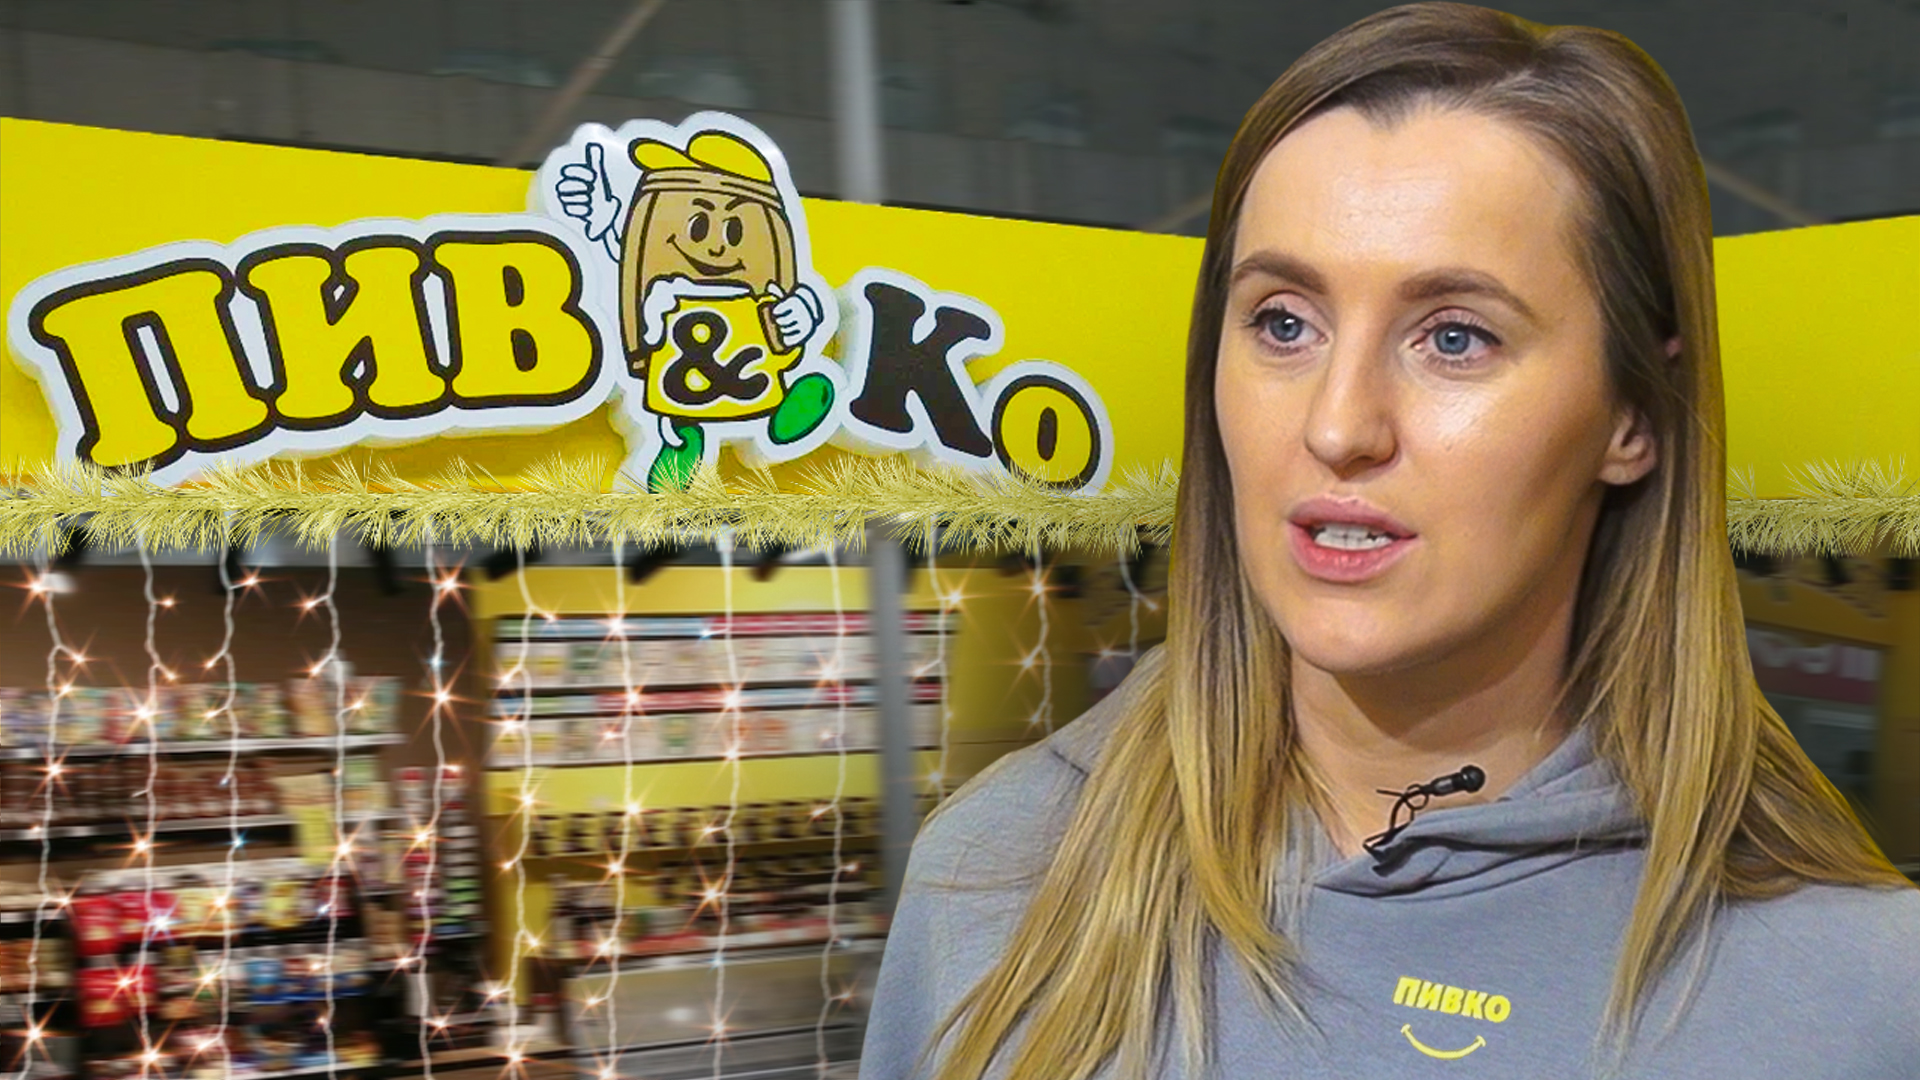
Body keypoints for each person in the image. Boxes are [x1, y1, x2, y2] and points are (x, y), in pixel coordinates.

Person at [857, 4, 1920, 1079]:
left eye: (1455, 337)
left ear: (1632, 415)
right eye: (1283, 322)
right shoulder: (997, 874)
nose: (1337, 425)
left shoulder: (1857, 994)